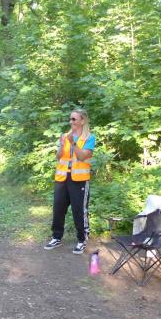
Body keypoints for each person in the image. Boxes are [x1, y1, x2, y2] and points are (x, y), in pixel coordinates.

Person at [44, 108, 95, 255]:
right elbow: (58, 157)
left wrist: (73, 143)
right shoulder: (64, 136)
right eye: (70, 119)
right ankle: (56, 237)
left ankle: (82, 240)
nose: (70, 121)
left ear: (82, 121)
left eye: (74, 119)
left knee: (79, 210)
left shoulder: (89, 137)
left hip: (79, 179)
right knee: (58, 208)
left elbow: (83, 156)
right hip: (62, 177)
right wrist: (61, 145)